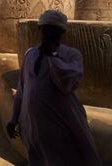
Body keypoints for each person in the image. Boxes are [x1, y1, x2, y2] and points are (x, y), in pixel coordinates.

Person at [6, 10, 101, 166]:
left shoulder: (71, 55)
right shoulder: (31, 54)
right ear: (40, 30)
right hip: (33, 126)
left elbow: (67, 84)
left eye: (54, 31)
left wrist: (53, 56)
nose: (50, 34)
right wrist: (13, 119)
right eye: (47, 30)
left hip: (60, 126)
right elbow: (23, 89)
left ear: (61, 33)